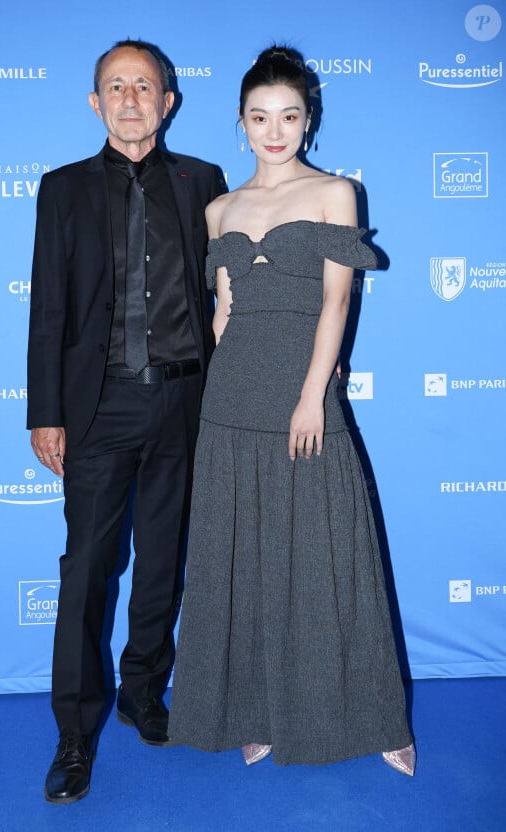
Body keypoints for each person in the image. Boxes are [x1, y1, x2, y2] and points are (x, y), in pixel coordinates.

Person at [168, 46, 415, 775]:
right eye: (260, 117)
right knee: (238, 557)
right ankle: (253, 707)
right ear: (240, 123)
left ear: (309, 121)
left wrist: (313, 396)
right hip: (231, 398)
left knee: (332, 557)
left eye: (290, 116)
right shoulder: (220, 208)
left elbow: (338, 301)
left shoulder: (336, 193)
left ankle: (378, 719)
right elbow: (225, 312)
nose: (275, 131)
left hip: (303, 395)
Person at [26, 39, 226, 804]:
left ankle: (146, 693)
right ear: (95, 102)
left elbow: (232, 291)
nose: (132, 97)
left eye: (145, 85)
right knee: (85, 569)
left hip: (184, 401)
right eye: (117, 85)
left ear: (167, 101)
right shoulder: (62, 190)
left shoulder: (202, 181)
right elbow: (48, 310)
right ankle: (75, 732)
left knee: (164, 558)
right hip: (99, 405)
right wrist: (47, 412)